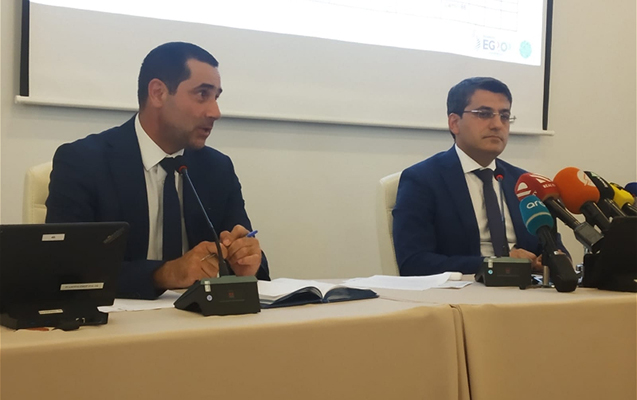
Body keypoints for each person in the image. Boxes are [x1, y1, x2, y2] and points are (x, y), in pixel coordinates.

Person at [46, 42, 269, 299]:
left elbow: (248, 256)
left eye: (216, 97)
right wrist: (164, 274)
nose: (215, 112)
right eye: (202, 95)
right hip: (117, 319)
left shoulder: (217, 169)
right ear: (158, 93)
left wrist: (247, 263)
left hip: (199, 318)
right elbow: (67, 269)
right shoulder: (83, 162)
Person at [393, 77, 565, 276]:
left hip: (527, 289)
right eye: (484, 114)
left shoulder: (525, 183)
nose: (497, 125)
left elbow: (555, 248)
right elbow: (413, 262)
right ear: (454, 123)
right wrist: (498, 264)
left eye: (504, 116)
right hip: (463, 291)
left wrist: (551, 260)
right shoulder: (422, 180)